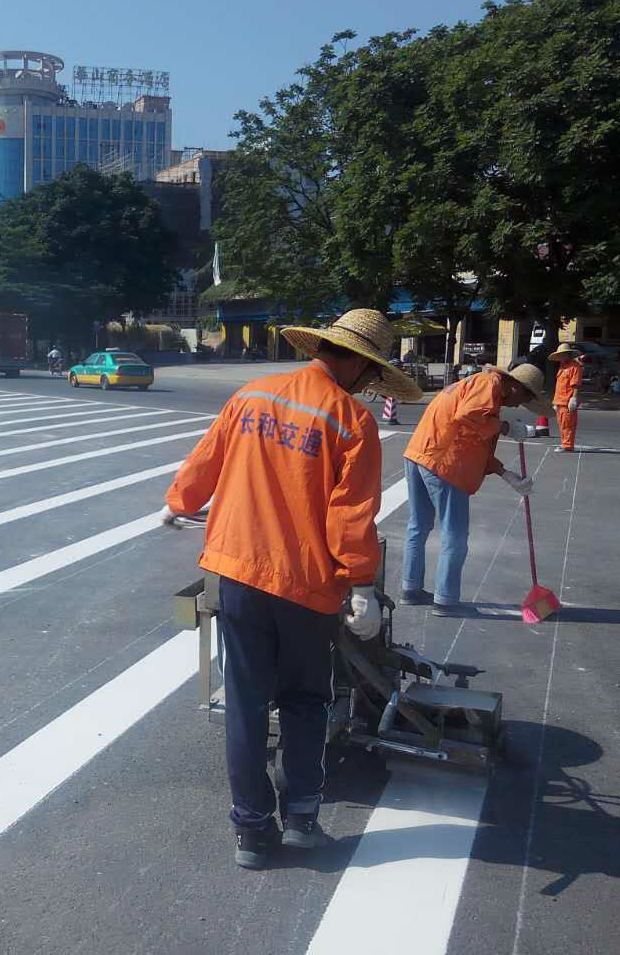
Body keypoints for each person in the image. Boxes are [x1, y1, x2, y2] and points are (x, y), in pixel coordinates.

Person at [162, 309, 422, 870]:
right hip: (305, 587)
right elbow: (351, 515)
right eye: (370, 373)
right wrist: (361, 587)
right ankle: (302, 819)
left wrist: (178, 502)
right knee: (306, 701)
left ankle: (252, 833)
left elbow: (203, 464)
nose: (370, 385)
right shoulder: (351, 420)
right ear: (352, 360)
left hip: (238, 575)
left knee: (247, 705)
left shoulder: (252, 395)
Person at [401, 362, 549, 616]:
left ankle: (410, 589)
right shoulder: (489, 384)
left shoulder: (476, 387)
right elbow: (468, 418)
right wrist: (505, 428)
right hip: (444, 464)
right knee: (455, 535)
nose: (517, 405)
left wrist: (506, 474)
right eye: (524, 397)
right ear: (514, 385)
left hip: (419, 455)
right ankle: (445, 601)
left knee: (419, 526)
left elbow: (472, 441)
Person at [547, 343, 583, 453]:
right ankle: (565, 443)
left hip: (567, 401)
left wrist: (574, 398)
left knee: (568, 425)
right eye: (560, 356)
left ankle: (567, 445)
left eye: (563, 355)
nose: (561, 358)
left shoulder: (574, 367)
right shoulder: (562, 367)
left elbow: (575, 384)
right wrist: (555, 401)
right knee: (562, 424)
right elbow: (560, 385)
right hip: (560, 401)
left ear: (568, 354)